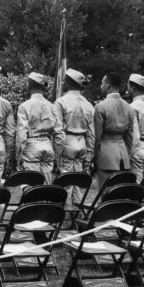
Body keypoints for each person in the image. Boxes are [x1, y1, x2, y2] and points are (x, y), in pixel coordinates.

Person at [53, 68, 94, 207]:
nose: (62, 82)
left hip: (67, 141)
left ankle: (64, 220)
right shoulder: (88, 104)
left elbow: (58, 130)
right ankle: (76, 217)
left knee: (65, 183)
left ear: (68, 83)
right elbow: (91, 133)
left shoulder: (61, 102)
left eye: (64, 80)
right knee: (78, 183)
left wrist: (56, 155)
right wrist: (89, 155)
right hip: (82, 142)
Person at [14, 71, 64, 183]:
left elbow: (22, 133)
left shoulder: (24, 106)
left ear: (29, 86)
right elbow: (59, 134)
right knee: (47, 187)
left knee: (32, 186)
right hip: (47, 145)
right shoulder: (52, 107)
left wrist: (19, 155)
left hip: (31, 146)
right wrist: (57, 156)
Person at [92, 73, 136, 191]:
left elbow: (97, 137)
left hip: (106, 154)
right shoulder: (129, 107)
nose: (101, 86)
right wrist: (127, 153)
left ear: (108, 86)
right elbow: (130, 135)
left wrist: (94, 156)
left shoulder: (100, 107)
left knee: (105, 193)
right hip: (123, 154)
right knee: (119, 193)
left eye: (102, 83)